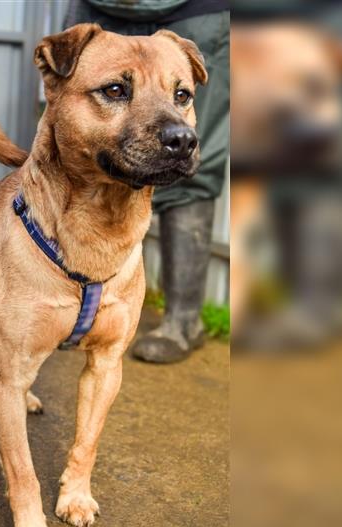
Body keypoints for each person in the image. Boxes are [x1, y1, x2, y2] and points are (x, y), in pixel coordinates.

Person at [64, 0, 230, 363]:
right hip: (100, 5)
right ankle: (57, 308)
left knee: (185, 162)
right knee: (75, 150)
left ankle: (184, 322)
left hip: (194, 10)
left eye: (183, 96)